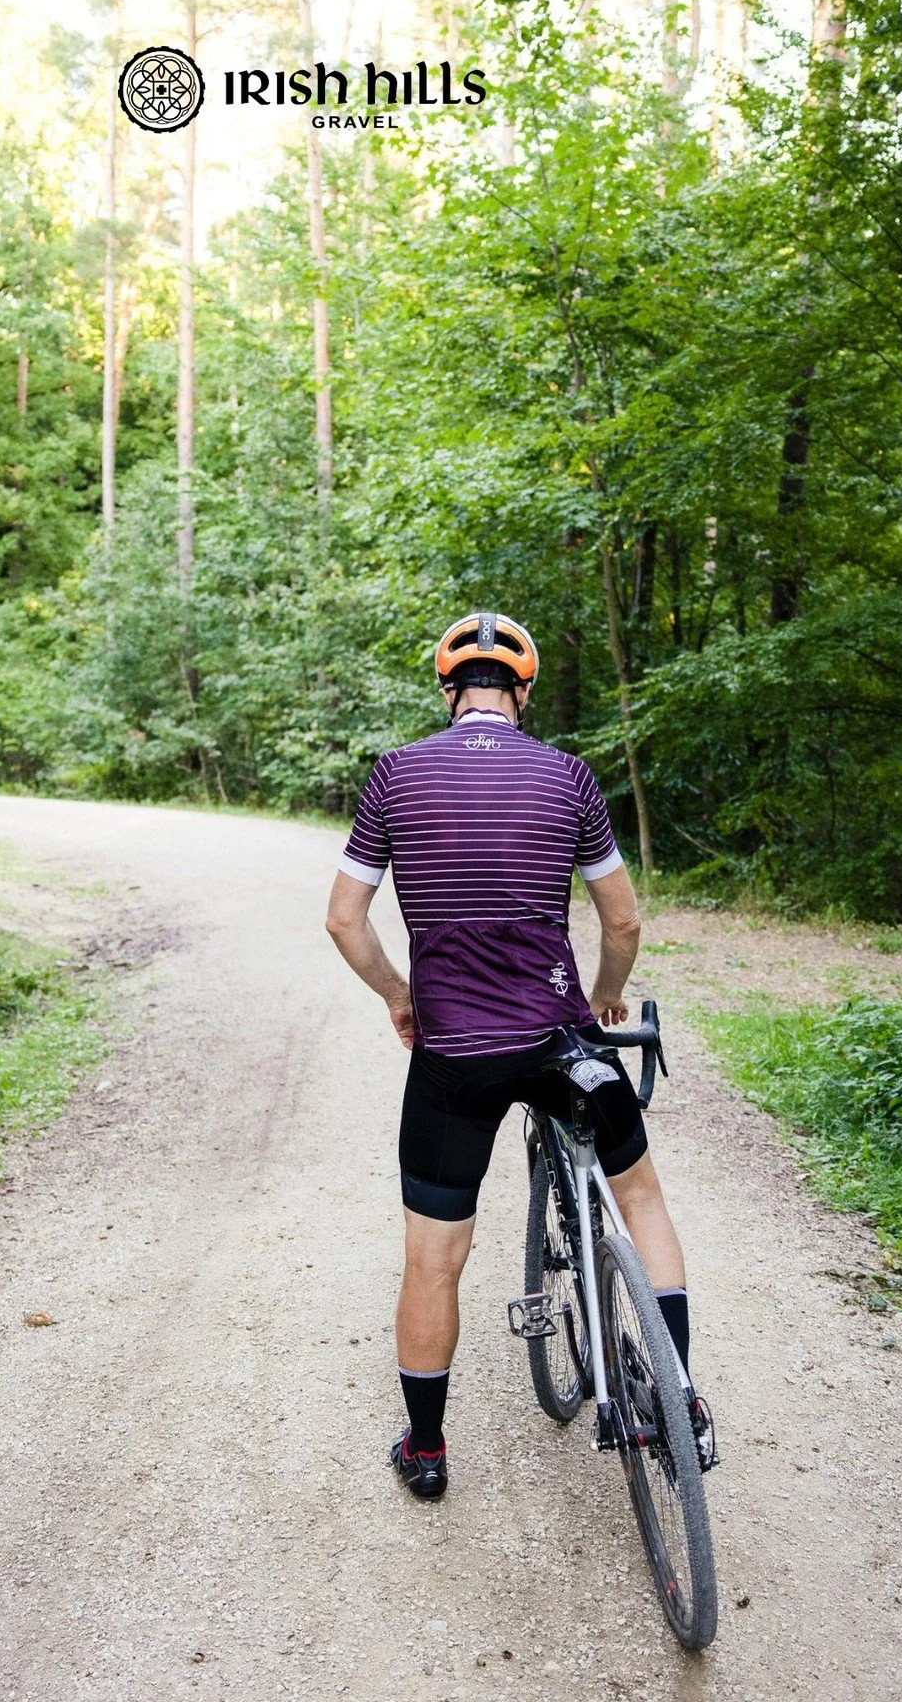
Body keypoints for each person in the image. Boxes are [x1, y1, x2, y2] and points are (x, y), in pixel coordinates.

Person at [325, 611, 711, 1501]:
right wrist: (610, 992)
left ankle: (426, 1451)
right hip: (558, 1040)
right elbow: (623, 920)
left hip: (454, 1054)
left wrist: (400, 995)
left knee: (433, 1256)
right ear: (524, 692)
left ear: (447, 690)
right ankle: (678, 1397)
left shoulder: (395, 776)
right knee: (640, 1195)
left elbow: (345, 920)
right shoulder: (568, 777)